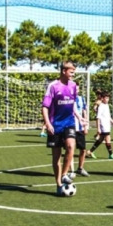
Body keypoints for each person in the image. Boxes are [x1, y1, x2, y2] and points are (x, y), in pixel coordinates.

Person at [42, 61, 80, 196]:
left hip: (69, 122)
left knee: (71, 146)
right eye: (71, 72)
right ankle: (58, 184)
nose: (73, 74)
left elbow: (73, 103)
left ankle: (64, 174)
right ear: (64, 71)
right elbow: (45, 107)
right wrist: (48, 123)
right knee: (56, 157)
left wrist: (79, 117)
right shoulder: (53, 86)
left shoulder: (73, 85)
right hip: (55, 125)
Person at [86, 91, 113, 159]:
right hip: (103, 126)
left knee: (101, 140)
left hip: (107, 126)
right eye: (106, 98)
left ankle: (90, 151)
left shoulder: (107, 105)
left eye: (108, 98)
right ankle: (110, 154)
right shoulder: (101, 106)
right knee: (107, 139)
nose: (107, 99)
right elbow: (98, 118)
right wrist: (98, 128)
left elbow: (108, 116)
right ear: (102, 98)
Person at [72, 86, 90, 177]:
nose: (77, 90)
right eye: (75, 89)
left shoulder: (81, 99)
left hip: (80, 128)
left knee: (83, 149)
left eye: (78, 89)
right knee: (70, 149)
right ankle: (69, 171)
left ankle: (80, 168)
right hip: (71, 127)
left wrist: (85, 126)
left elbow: (84, 112)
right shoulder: (68, 98)